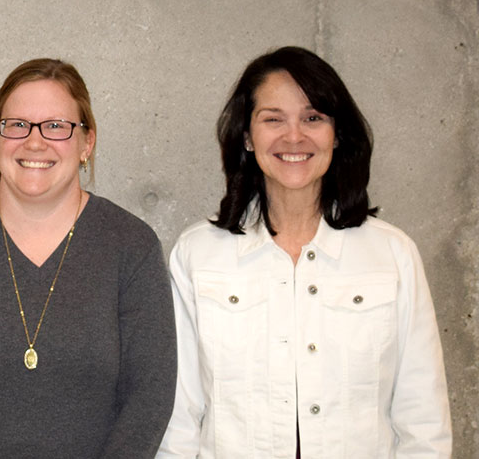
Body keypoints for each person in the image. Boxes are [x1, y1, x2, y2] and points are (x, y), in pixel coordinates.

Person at [157, 46, 451, 458]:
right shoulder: (197, 255)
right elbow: (178, 418)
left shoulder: (392, 255)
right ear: (247, 136)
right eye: (272, 119)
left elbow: (424, 422)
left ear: (337, 134)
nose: (293, 136)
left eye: (313, 118)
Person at [0, 58, 176, 457]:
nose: (34, 141)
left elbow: (148, 397)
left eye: (56, 126)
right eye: (17, 125)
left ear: (87, 142)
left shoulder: (132, 246)